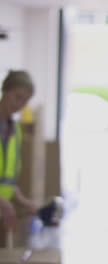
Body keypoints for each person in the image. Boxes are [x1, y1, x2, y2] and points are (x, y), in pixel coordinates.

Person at [0, 70, 37, 242]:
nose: (21, 104)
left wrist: (24, 202)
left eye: (26, 100)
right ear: (5, 91)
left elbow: (7, 181)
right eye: (18, 97)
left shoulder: (16, 131)